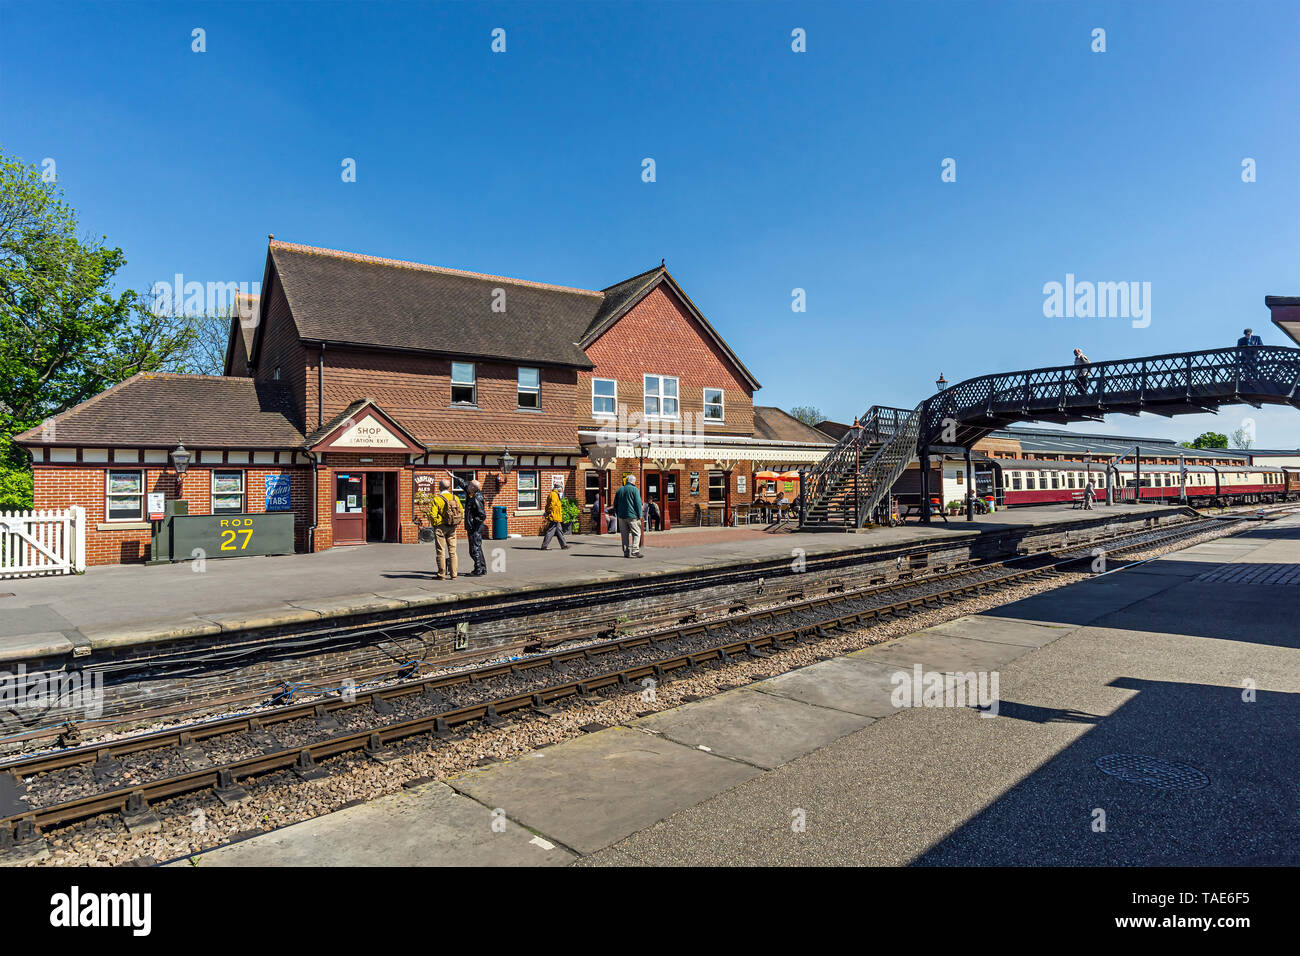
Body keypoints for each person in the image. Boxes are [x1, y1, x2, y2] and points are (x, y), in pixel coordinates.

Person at [448, 472, 487, 575]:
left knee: (474, 549)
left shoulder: (476, 498)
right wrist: (453, 477)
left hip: (475, 527)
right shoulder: (471, 493)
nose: (467, 485)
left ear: (474, 488)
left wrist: (473, 523)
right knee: (477, 547)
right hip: (474, 526)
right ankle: (482, 568)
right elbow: (463, 484)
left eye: (470, 485)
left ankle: (478, 570)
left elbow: (482, 515)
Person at [427, 479, 461, 580]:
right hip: (452, 527)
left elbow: (433, 514)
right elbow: (460, 513)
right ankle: (454, 574)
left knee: (441, 551)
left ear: (439, 487)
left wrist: (436, 524)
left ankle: (441, 574)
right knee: (453, 551)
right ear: (449, 487)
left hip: (440, 527)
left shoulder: (437, 499)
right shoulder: (455, 498)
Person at [613, 474, 643, 558]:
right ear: (633, 481)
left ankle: (626, 552)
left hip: (621, 516)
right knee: (637, 533)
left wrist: (617, 513)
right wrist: (640, 514)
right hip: (632, 516)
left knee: (624, 535)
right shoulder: (634, 490)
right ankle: (635, 550)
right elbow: (638, 503)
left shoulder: (620, 490)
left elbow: (615, 503)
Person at [541, 481, 569, 550]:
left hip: (556, 516)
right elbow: (552, 506)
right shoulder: (553, 494)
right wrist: (550, 514)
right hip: (554, 516)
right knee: (550, 531)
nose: (562, 489)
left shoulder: (556, 494)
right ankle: (544, 546)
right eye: (561, 488)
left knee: (559, 530)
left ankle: (564, 545)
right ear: (558, 488)